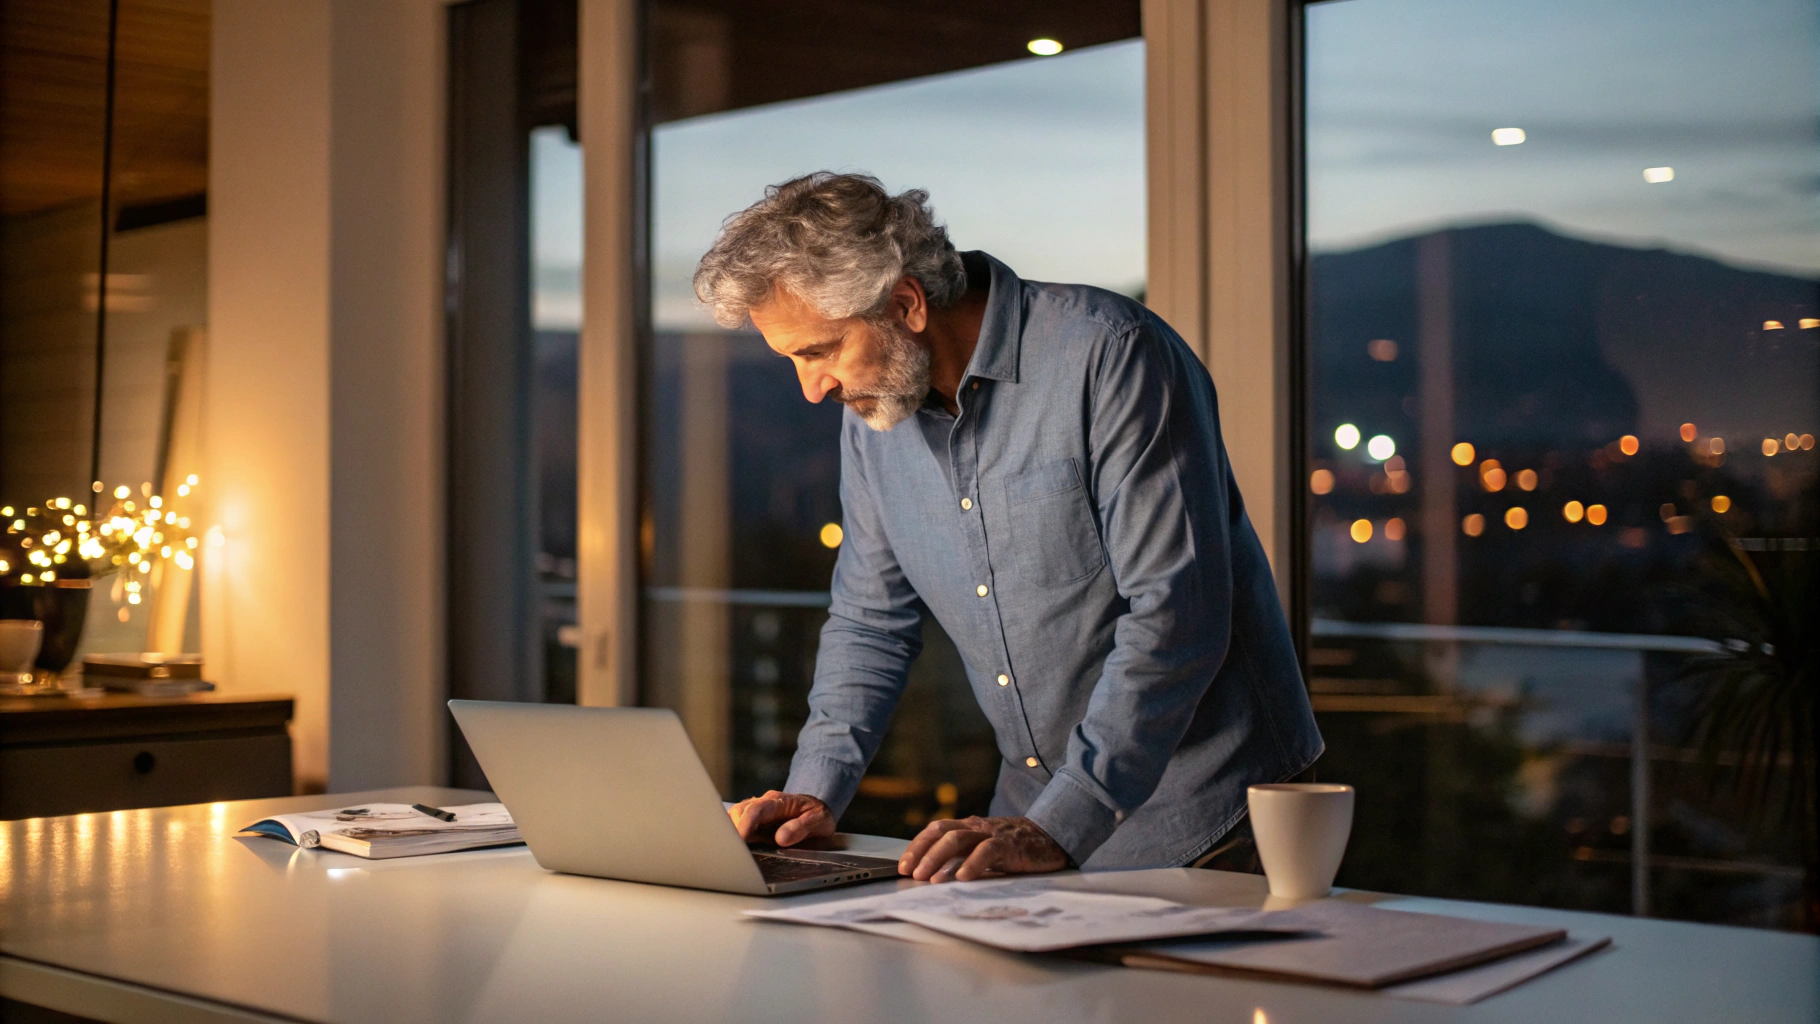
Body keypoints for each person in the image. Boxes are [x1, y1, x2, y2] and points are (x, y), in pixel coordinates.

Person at [699, 172, 1321, 883]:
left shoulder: (1110, 355)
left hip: (1208, 812)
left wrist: (1062, 821)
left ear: (905, 304)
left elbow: (1177, 614)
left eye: (819, 351)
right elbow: (870, 622)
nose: (812, 390)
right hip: (1031, 816)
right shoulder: (874, 419)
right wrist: (813, 790)